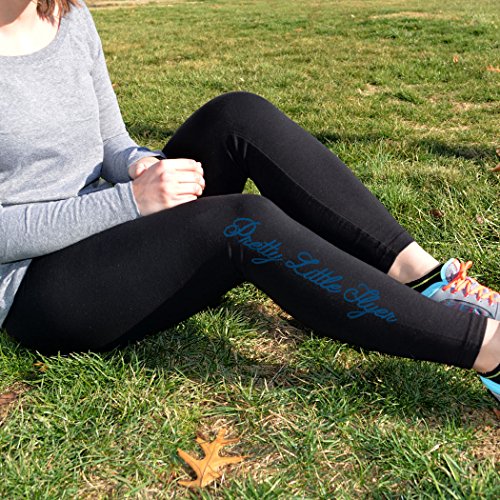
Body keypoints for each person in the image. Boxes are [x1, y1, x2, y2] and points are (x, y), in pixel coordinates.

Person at [1, 0, 499, 404]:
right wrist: (129, 202)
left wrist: (140, 164)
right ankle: (490, 352)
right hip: (40, 286)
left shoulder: (66, 15)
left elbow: (111, 139)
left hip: (114, 221)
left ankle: (427, 280)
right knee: (244, 223)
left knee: (236, 116)